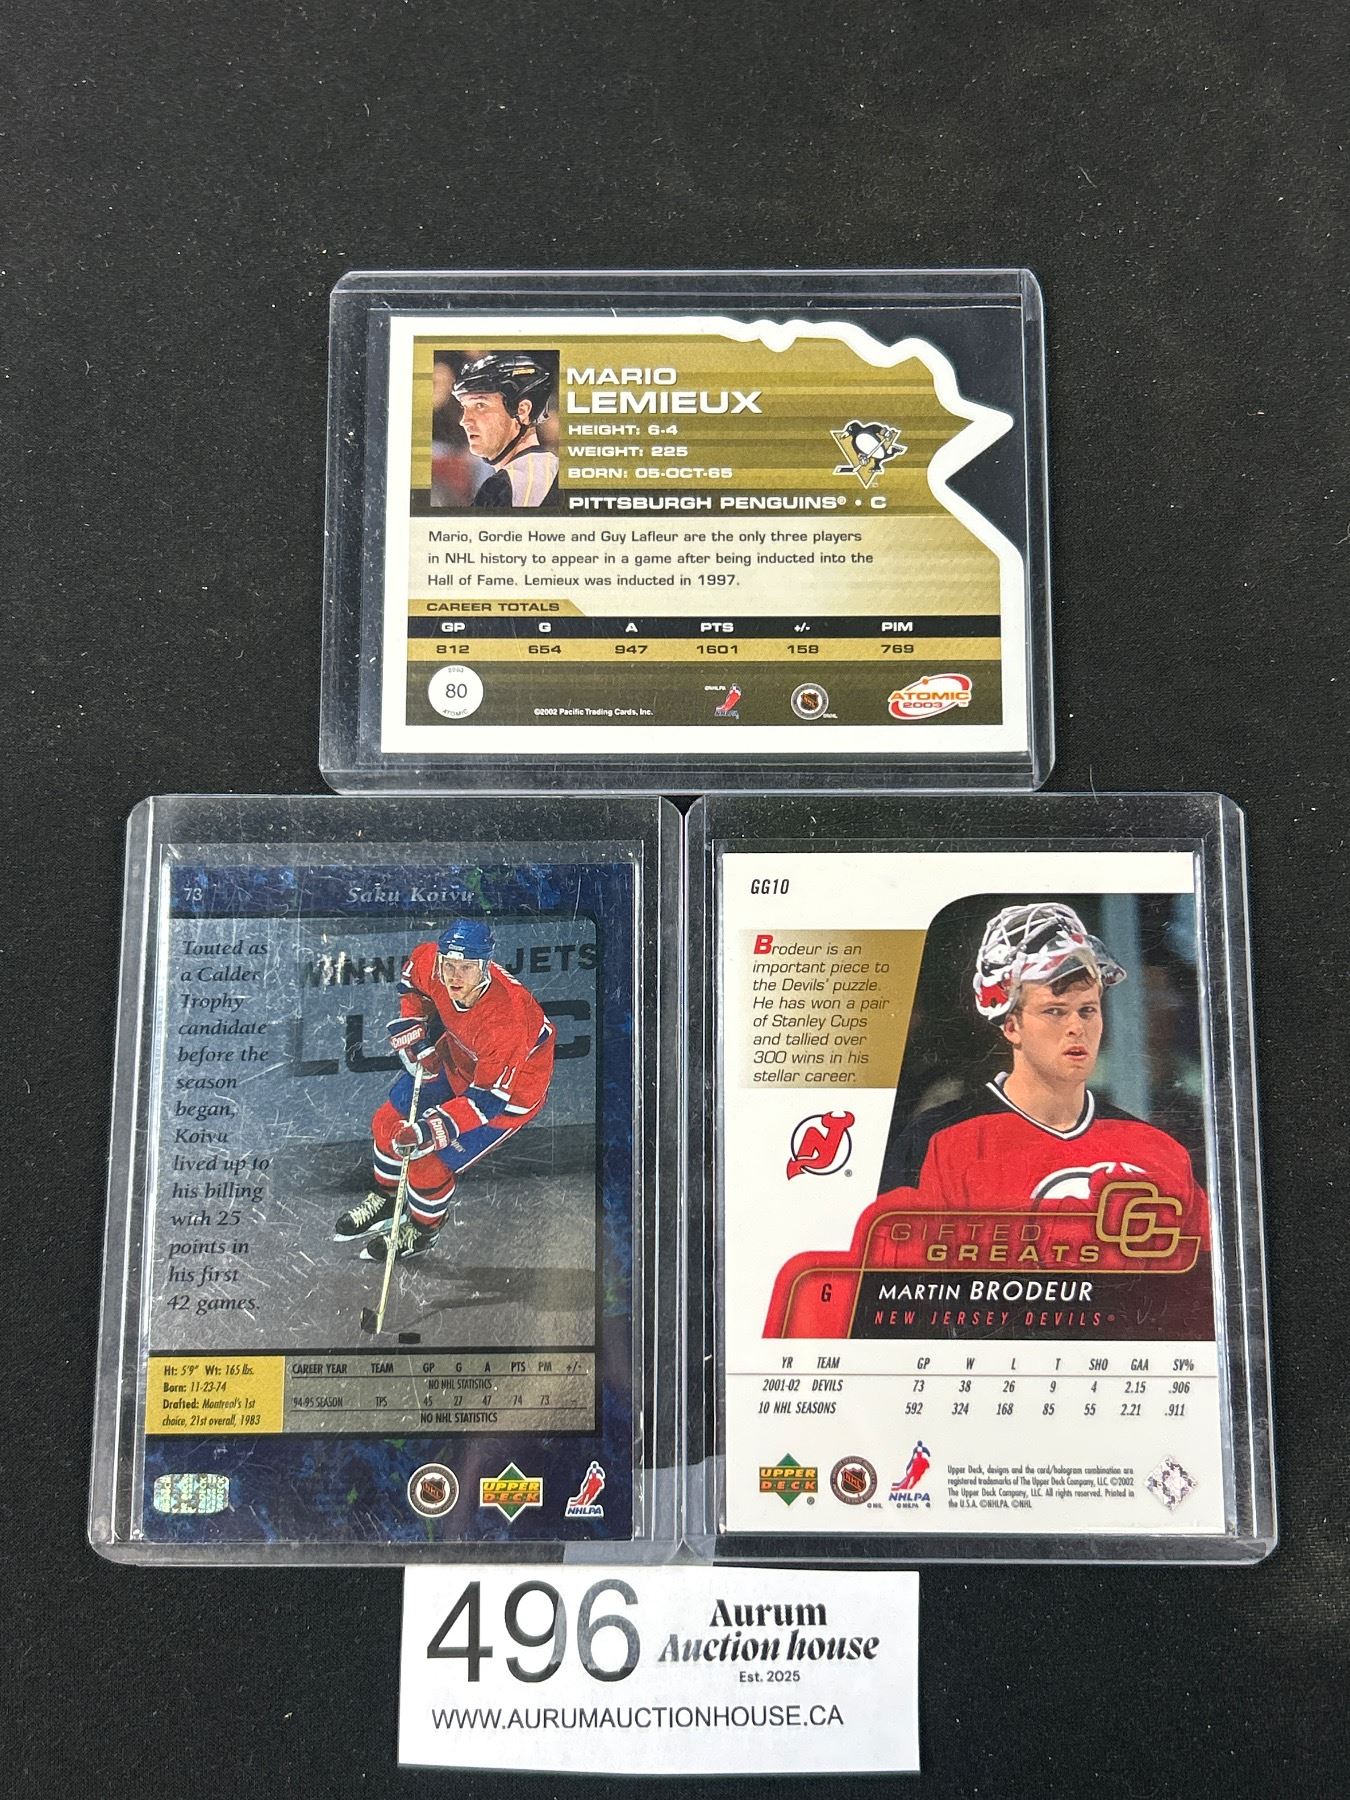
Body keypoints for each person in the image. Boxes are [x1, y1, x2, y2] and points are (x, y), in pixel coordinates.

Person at [876, 902, 1209, 1247]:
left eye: (1087, 1010)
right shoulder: (939, 1141)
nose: (1077, 1027)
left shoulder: (1156, 1149)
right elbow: (891, 1265)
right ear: (1011, 1026)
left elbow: (1201, 1270)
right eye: (1055, 1011)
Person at [333, 917, 555, 1262]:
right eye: (448, 965)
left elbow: (487, 1101)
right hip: (457, 1060)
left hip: (509, 1096)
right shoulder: (433, 963)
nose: (454, 976)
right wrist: (415, 1031)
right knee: (385, 1124)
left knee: (427, 1164)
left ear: (486, 967)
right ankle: (389, 1201)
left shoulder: (507, 1020)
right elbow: (412, 983)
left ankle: (423, 1231)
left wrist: (428, 1131)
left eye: (465, 968)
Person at [453, 351, 559, 507]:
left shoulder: (509, 484)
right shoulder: (551, 467)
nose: (465, 421)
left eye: (480, 405)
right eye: (465, 407)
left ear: (522, 411)